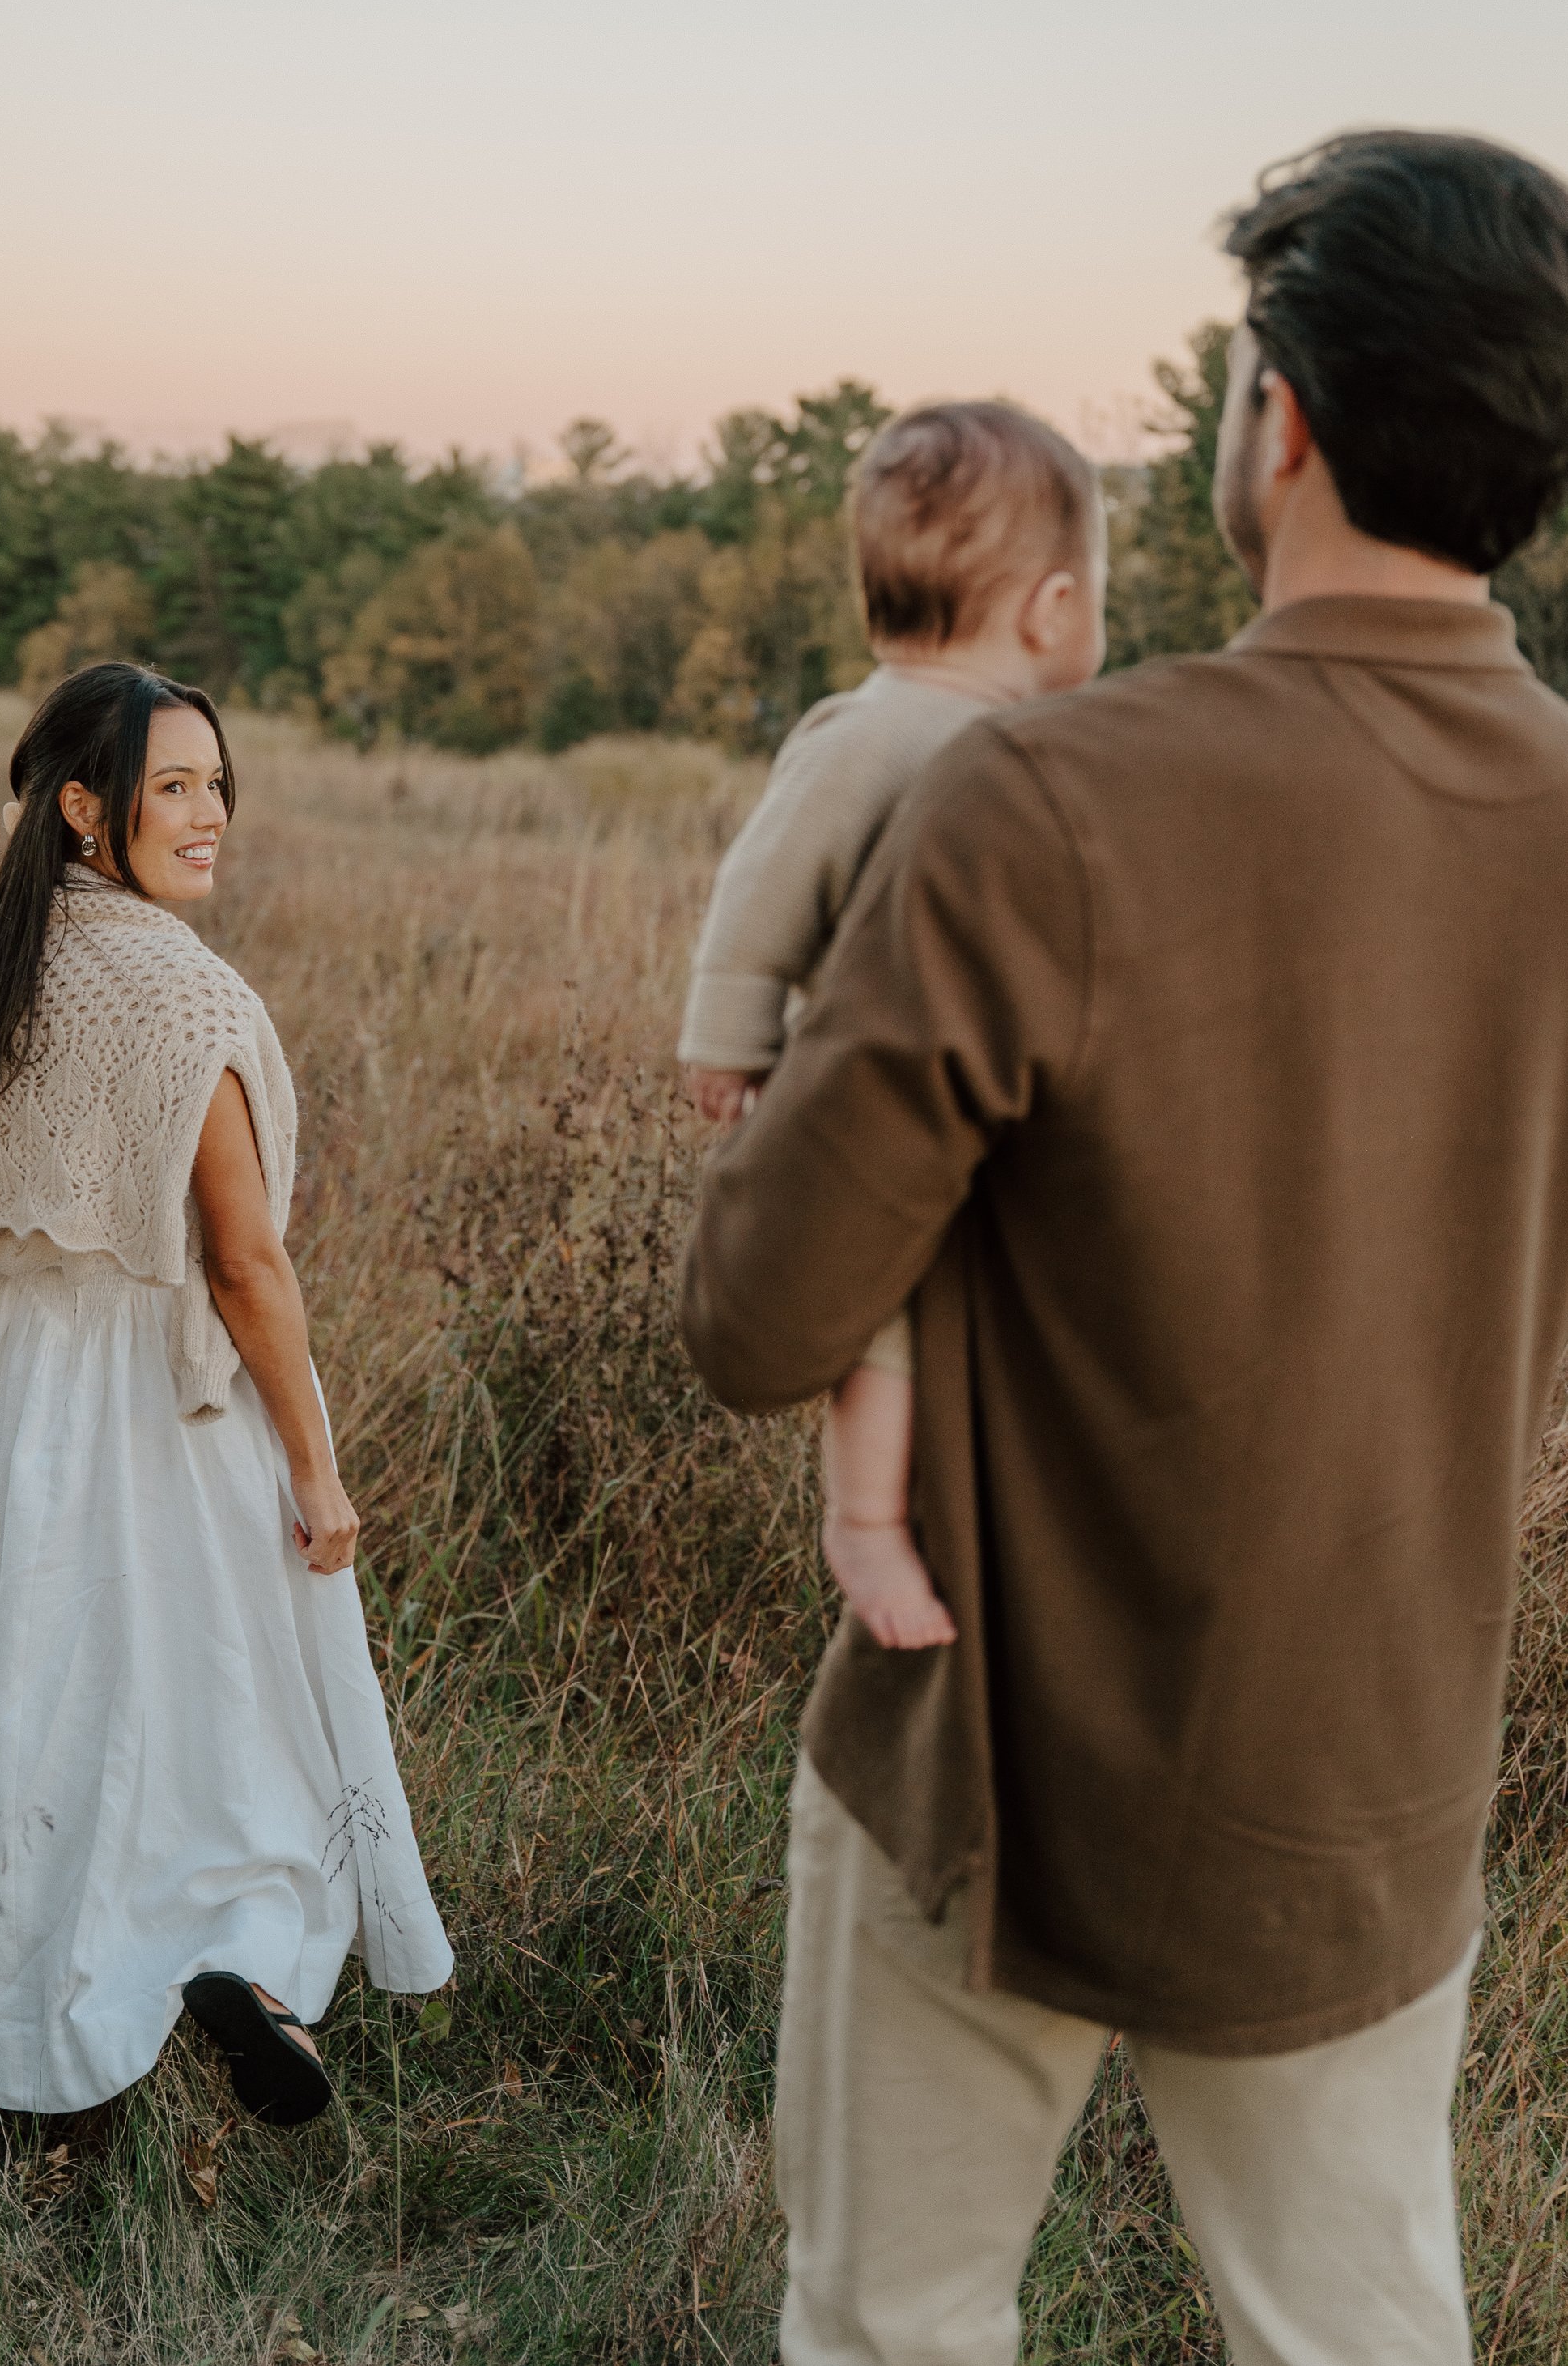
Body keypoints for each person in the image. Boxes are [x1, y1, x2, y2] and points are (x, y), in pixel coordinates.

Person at [681, 129, 1568, 2365]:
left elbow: (755, 1310)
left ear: (1268, 422)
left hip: (990, 1761)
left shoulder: (1044, 798)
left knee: (890, 2322)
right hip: (1368, 1785)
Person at [0, 661, 452, 2126]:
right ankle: (240, 1960)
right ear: (87, 808)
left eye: (219, 785)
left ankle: (50, 2022)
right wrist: (316, 1469)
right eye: (174, 787)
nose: (210, 817)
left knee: (58, 1698)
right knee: (231, 1693)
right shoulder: (182, 990)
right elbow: (247, 1260)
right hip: (171, 1386)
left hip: (29, 1388)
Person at [678, 404, 1106, 1649]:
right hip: (872, 1082)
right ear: (1051, 606)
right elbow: (763, 887)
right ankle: (864, 1520)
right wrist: (731, 1037)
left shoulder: (1028, 742)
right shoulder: (871, 731)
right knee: (892, 1309)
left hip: (991, 1087)